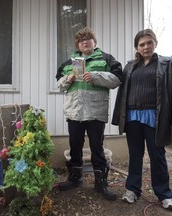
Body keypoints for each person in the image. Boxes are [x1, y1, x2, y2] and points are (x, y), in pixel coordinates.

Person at [112, 29, 172, 209]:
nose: (146, 47)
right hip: (132, 118)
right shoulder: (130, 66)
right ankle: (132, 189)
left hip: (155, 118)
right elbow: (122, 94)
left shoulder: (166, 64)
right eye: (142, 44)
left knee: (157, 156)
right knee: (135, 155)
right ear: (136, 47)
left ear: (155, 43)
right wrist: (118, 117)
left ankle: (164, 194)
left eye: (149, 43)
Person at [56, 27, 123, 201]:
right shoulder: (68, 64)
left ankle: (100, 183)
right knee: (75, 146)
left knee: (96, 147)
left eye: (88, 39)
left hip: (95, 112)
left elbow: (117, 79)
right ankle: (75, 178)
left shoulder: (106, 59)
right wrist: (67, 79)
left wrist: (96, 76)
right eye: (81, 40)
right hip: (75, 112)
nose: (85, 41)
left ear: (94, 42)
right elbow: (59, 85)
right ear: (78, 45)